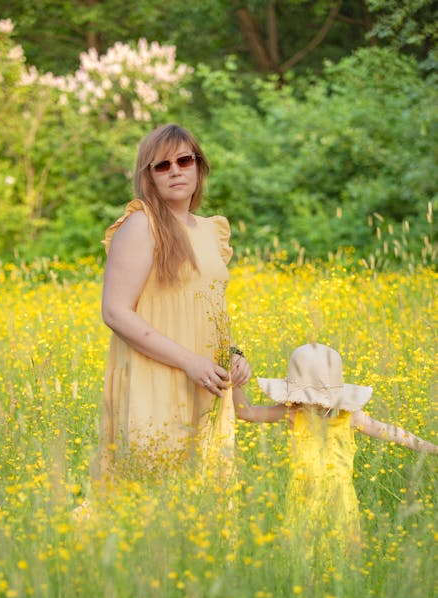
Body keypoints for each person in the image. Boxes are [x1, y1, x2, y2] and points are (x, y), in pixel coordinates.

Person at [91, 123, 251, 482]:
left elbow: (206, 310)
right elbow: (115, 312)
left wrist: (233, 355)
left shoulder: (211, 230)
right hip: (157, 379)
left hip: (206, 382)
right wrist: (189, 362)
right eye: (162, 165)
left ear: (199, 166)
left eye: (183, 160)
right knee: (146, 503)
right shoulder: (140, 226)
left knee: (204, 504)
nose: (175, 170)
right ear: (148, 176)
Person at [232, 343, 437, 552]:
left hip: (340, 500)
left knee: (339, 555)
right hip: (302, 497)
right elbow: (246, 413)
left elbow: (390, 431)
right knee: (304, 558)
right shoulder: (293, 412)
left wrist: (428, 447)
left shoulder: (350, 417)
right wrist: (234, 383)